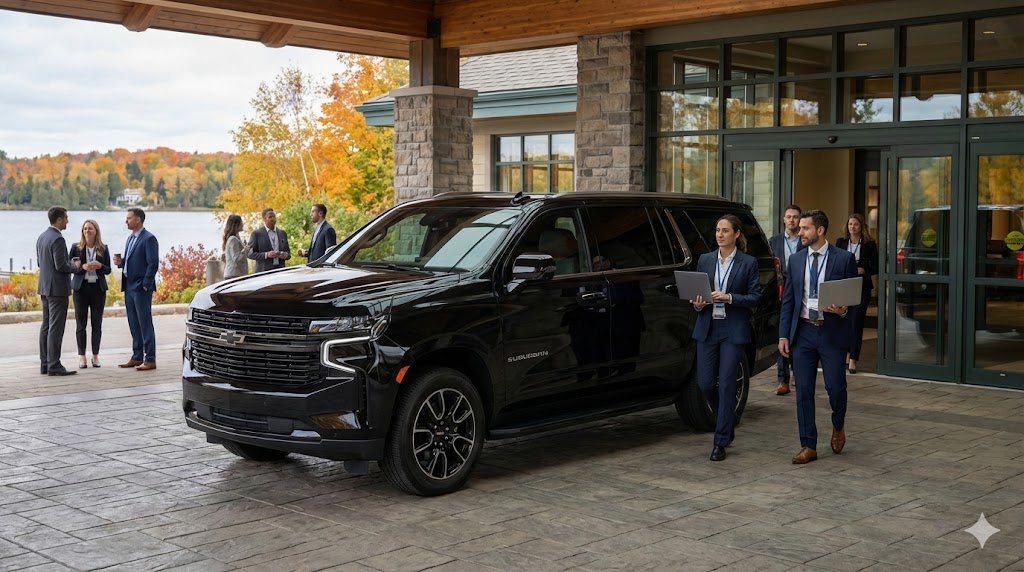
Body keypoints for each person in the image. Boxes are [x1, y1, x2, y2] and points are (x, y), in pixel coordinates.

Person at [778, 209, 858, 464]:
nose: (799, 232)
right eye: (799, 228)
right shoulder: (797, 260)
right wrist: (783, 335)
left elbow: (853, 298)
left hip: (831, 332)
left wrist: (843, 309)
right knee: (803, 391)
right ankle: (808, 445)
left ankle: (838, 424)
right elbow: (788, 301)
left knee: (835, 387)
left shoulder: (843, 259)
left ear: (820, 230)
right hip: (802, 333)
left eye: (805, 228)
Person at [690, 215, 762, 462]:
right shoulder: (705, 260)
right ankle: (727, 420)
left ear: (736, 234)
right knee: (706, 384)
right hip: (708, 328)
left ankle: (720, 441)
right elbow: (697, 295)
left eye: (725, 230)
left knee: (729, 383)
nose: (719, 235)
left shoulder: (748, 263)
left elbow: (755, 297)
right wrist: (698, 304)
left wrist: (729, 297)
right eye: (718, 230)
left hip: (733, 329)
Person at [114, 207, 159, 371]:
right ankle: (137, 356)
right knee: (133, 323)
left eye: (129, 218)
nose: (126, 221)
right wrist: (121, 263)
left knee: (145, 323)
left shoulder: (149, 239)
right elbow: (133, 260)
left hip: (140, 287)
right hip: (128, 286)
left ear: (138, 219)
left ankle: (150, 359)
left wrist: (145, 285)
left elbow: (153, 264)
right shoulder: (130, 238)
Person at [35, 206, 78, 376]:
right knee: (56, 327)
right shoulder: (58, 239)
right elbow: (61, 266)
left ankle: (45, 363)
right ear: (59, 219)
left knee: (46, 325)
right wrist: (75, 266)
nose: (67, 221)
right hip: (57, 289)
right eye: (66, 218)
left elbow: (40, 263)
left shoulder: (42, 237)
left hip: (45, 288)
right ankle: (54, 364)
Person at [768, 204, 806, 396]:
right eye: (788, 216)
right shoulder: (773, 242)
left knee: (798, 334)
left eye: (795, 217)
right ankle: (783, 380)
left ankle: (798, 375)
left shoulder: (805, 241)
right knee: (782, 334)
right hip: (780, 294)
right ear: (783, 219)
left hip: (801, 294)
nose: (792, 220)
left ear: (800, 220)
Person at [835, 213, 878, 375]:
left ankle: (853, 357)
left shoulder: (869, 244)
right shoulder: (840, 242)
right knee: (844, 321)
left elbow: (876, 266)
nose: (852, 227)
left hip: (862, 286)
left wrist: (864, 270)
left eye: (855, 224)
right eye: (850, 224)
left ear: (861, 227)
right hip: (845, 286)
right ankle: (845, 354)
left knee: (856, 322)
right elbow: (835, 262)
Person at [69, 219, 111, 368]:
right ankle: (82, 357)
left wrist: (100, 265)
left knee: (97, 323)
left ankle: (95, 356)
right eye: (85, 229)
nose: (87, 231)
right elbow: (71, 267)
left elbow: (108, 270)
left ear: (96, 231)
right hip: (80, 289)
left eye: (90, 229)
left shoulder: (103, 248)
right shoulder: (76, 248)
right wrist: (83, 268)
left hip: (97, 289)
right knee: (81, 324)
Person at [249, 207, 291, 273]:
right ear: (264, 219)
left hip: (280, 271)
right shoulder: (256, 234)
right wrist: (266, 255)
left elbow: (288, 253)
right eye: (270, 217)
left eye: (274, 216)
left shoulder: (282, 233)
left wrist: (285, 255)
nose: (273, 219)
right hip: (264, 272)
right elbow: (250, 254)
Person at [222, 214, 249, 279]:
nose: (243, 224)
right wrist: (245, 250)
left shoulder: (236, 238)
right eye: (241, 222)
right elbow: (236, 258)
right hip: (233, 275)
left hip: (236, 274)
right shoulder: (233, 239)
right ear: (236, 224)